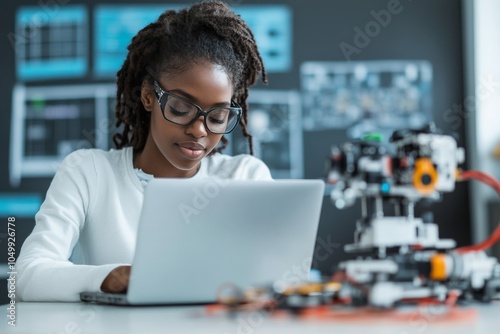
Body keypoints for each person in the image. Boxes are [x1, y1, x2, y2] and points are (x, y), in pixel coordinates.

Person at [16, 0, 272, 302]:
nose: (199, 130)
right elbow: (27, 276)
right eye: (180, 108)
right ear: (149, 96)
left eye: (217, 117)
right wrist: (114, 277)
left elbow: (274, 279)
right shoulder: (88, 173)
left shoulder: (246, 177)